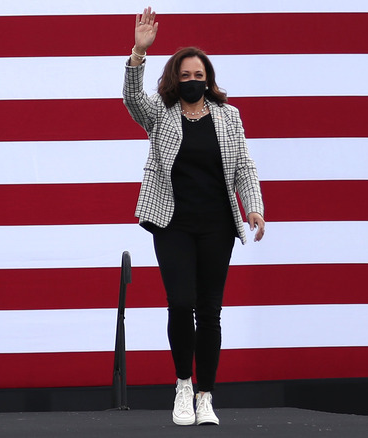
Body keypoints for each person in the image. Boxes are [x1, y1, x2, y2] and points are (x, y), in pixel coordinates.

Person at [123, 7, 265, 427]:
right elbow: (132, 99)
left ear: (209, 78)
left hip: (217, 225)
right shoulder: (160, 114)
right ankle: (183, 385)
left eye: (197, 75)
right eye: (184, 75)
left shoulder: (229, 116)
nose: (192, 81)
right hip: (173, 223)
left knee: (210, 310)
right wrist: (138, 53)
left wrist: (253, 205)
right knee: (180, 304)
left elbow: (244, 166)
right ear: (174, 79)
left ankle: (206, 396)